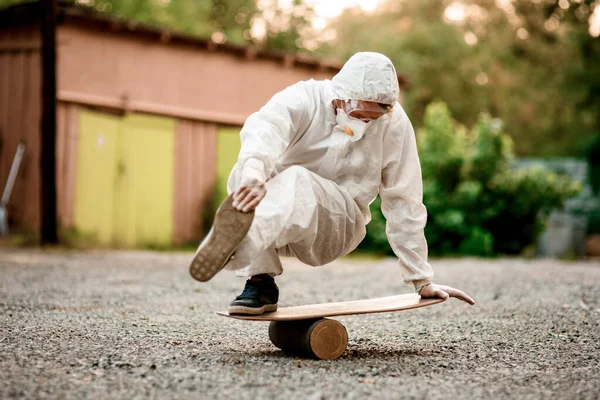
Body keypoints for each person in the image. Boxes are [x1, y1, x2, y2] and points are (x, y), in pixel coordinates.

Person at [190, 52, 475, 315]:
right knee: (246, 172)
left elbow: (404, 199)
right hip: (282, 218)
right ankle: (260, 283)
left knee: (297, 180)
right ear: (340, 97)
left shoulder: (394, 124)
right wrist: (253, 174)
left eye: (374, 116)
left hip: (339, 226)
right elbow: (266, 129)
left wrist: (421, 280)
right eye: (361, 114)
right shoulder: (304, 98)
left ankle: (236, 247)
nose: (366, 122)